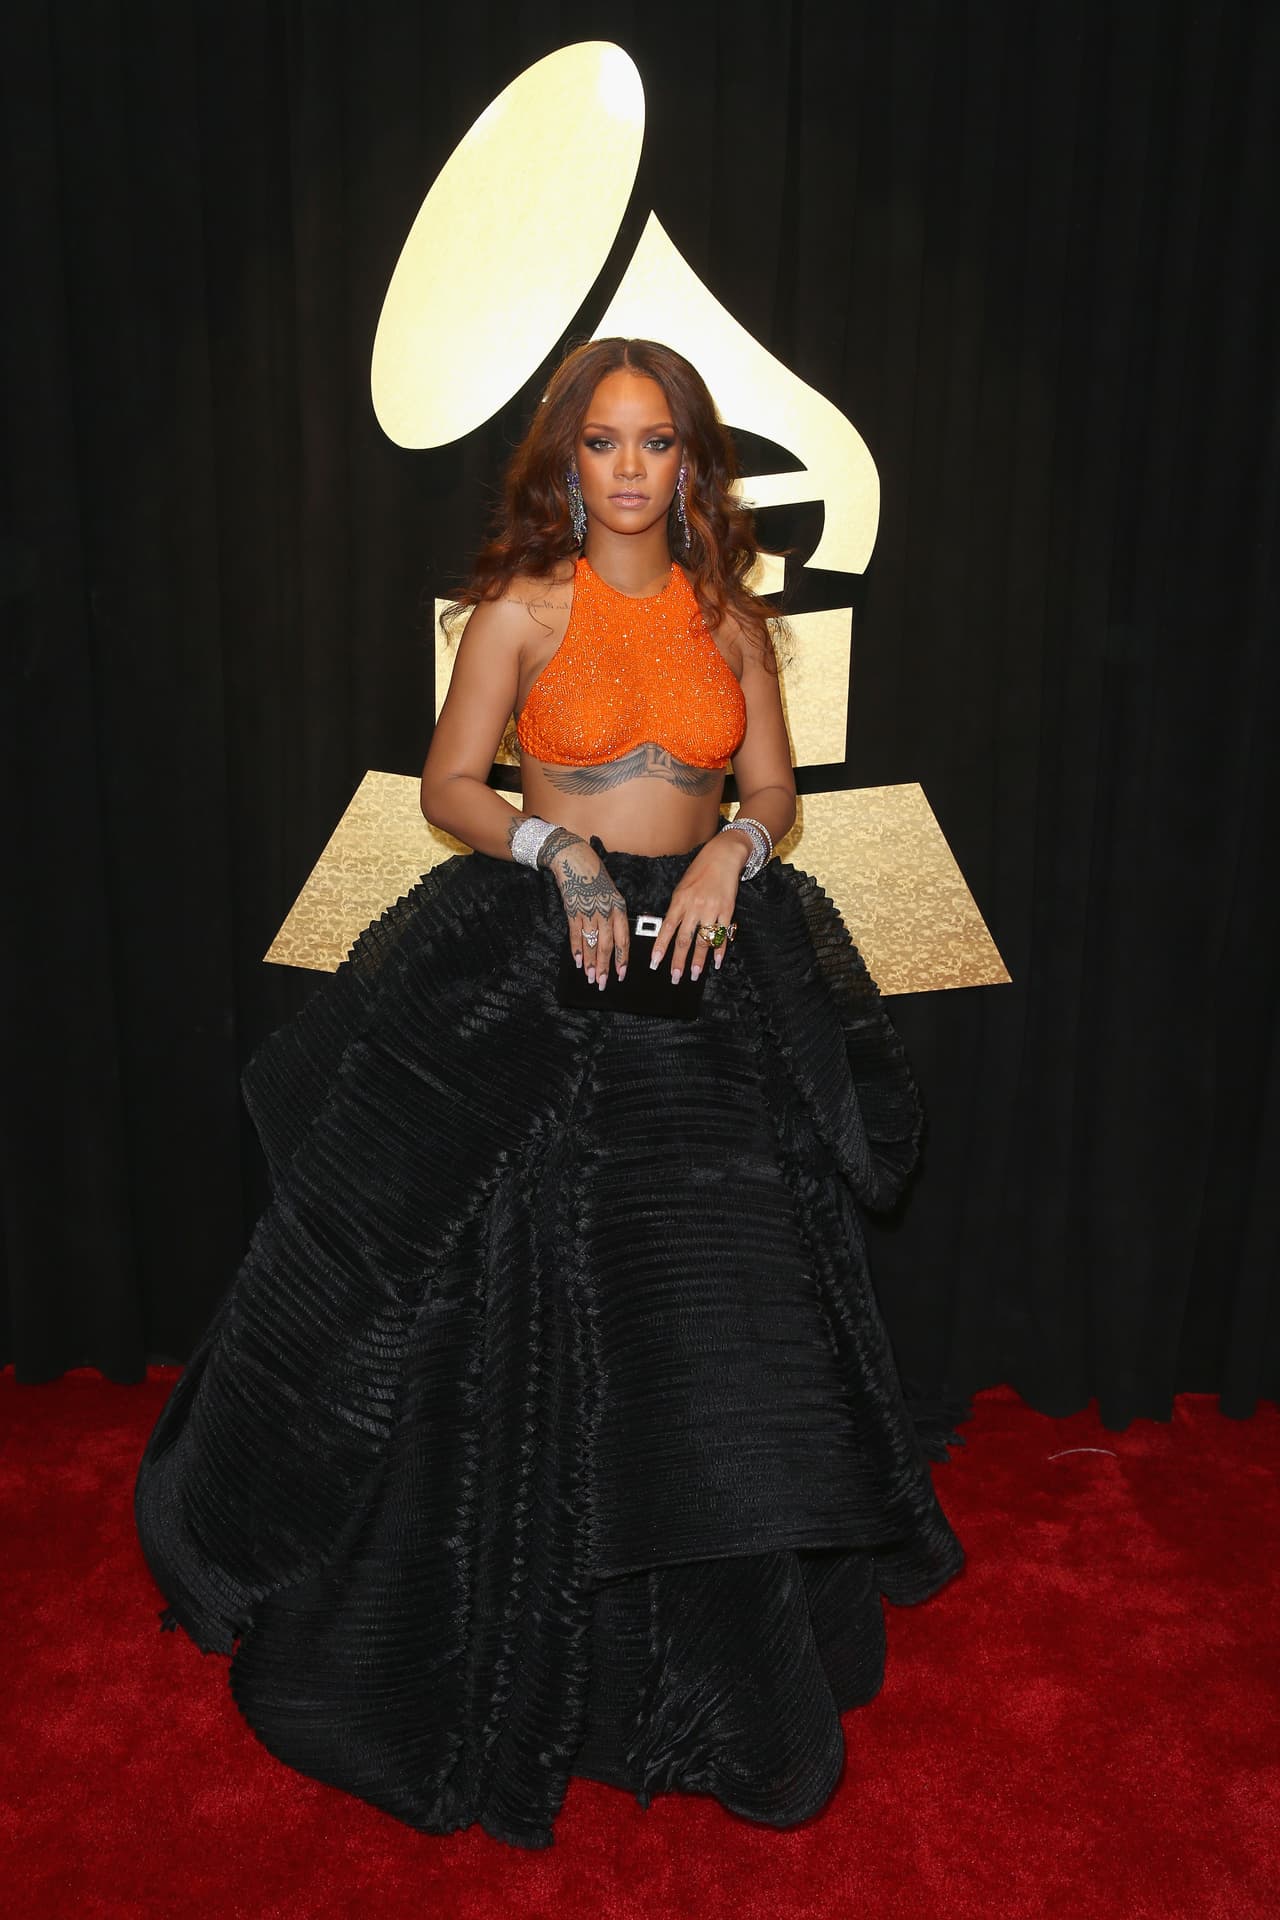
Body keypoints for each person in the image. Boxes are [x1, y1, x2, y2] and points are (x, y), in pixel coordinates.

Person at [134, 336, 966, 1852]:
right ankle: (498, 1641)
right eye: (604, 442)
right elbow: (457, 785)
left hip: (704, 970)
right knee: (518, 1309)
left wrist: (737, 849)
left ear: (693, 465)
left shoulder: (730, 613)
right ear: (564, 462)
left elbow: (770, 790)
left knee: (709, 1332)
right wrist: (552, 850)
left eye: (657, 443)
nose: (632, 468)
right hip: (546, 962)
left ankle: (720, 1667)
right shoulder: (517, 609)